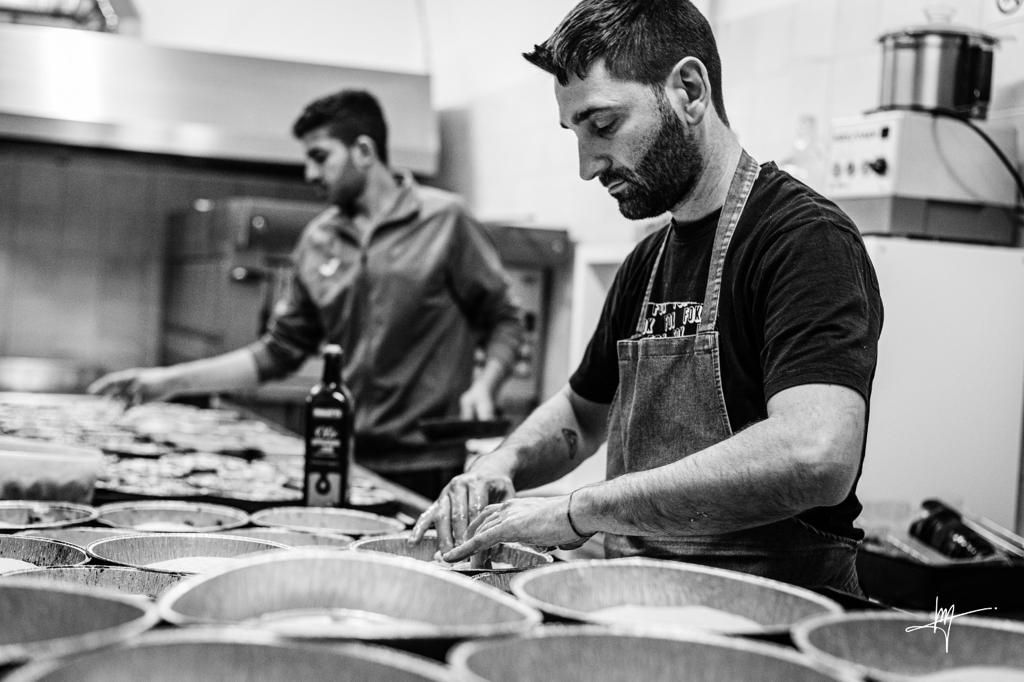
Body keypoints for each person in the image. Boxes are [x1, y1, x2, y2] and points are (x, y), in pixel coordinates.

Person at [411, 0, 883, 593]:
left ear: (689, 90)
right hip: (641, 600)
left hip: (769, 619)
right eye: (576, 134)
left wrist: (579, 510)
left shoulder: (802, 240)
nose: (587, 166)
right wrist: (498, 465)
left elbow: (815, 455)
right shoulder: (649, 261)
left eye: (603, 125)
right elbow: (582, 416)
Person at [89, 89, 524, 499]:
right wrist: (169, 381)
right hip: (342, 454)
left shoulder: (445, 219)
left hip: (429, 461)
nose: (310, 173)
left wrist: (487, 383)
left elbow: (504, 317)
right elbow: (278, 352)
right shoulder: (318, 239)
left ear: (364, 152)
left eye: (320, 157)